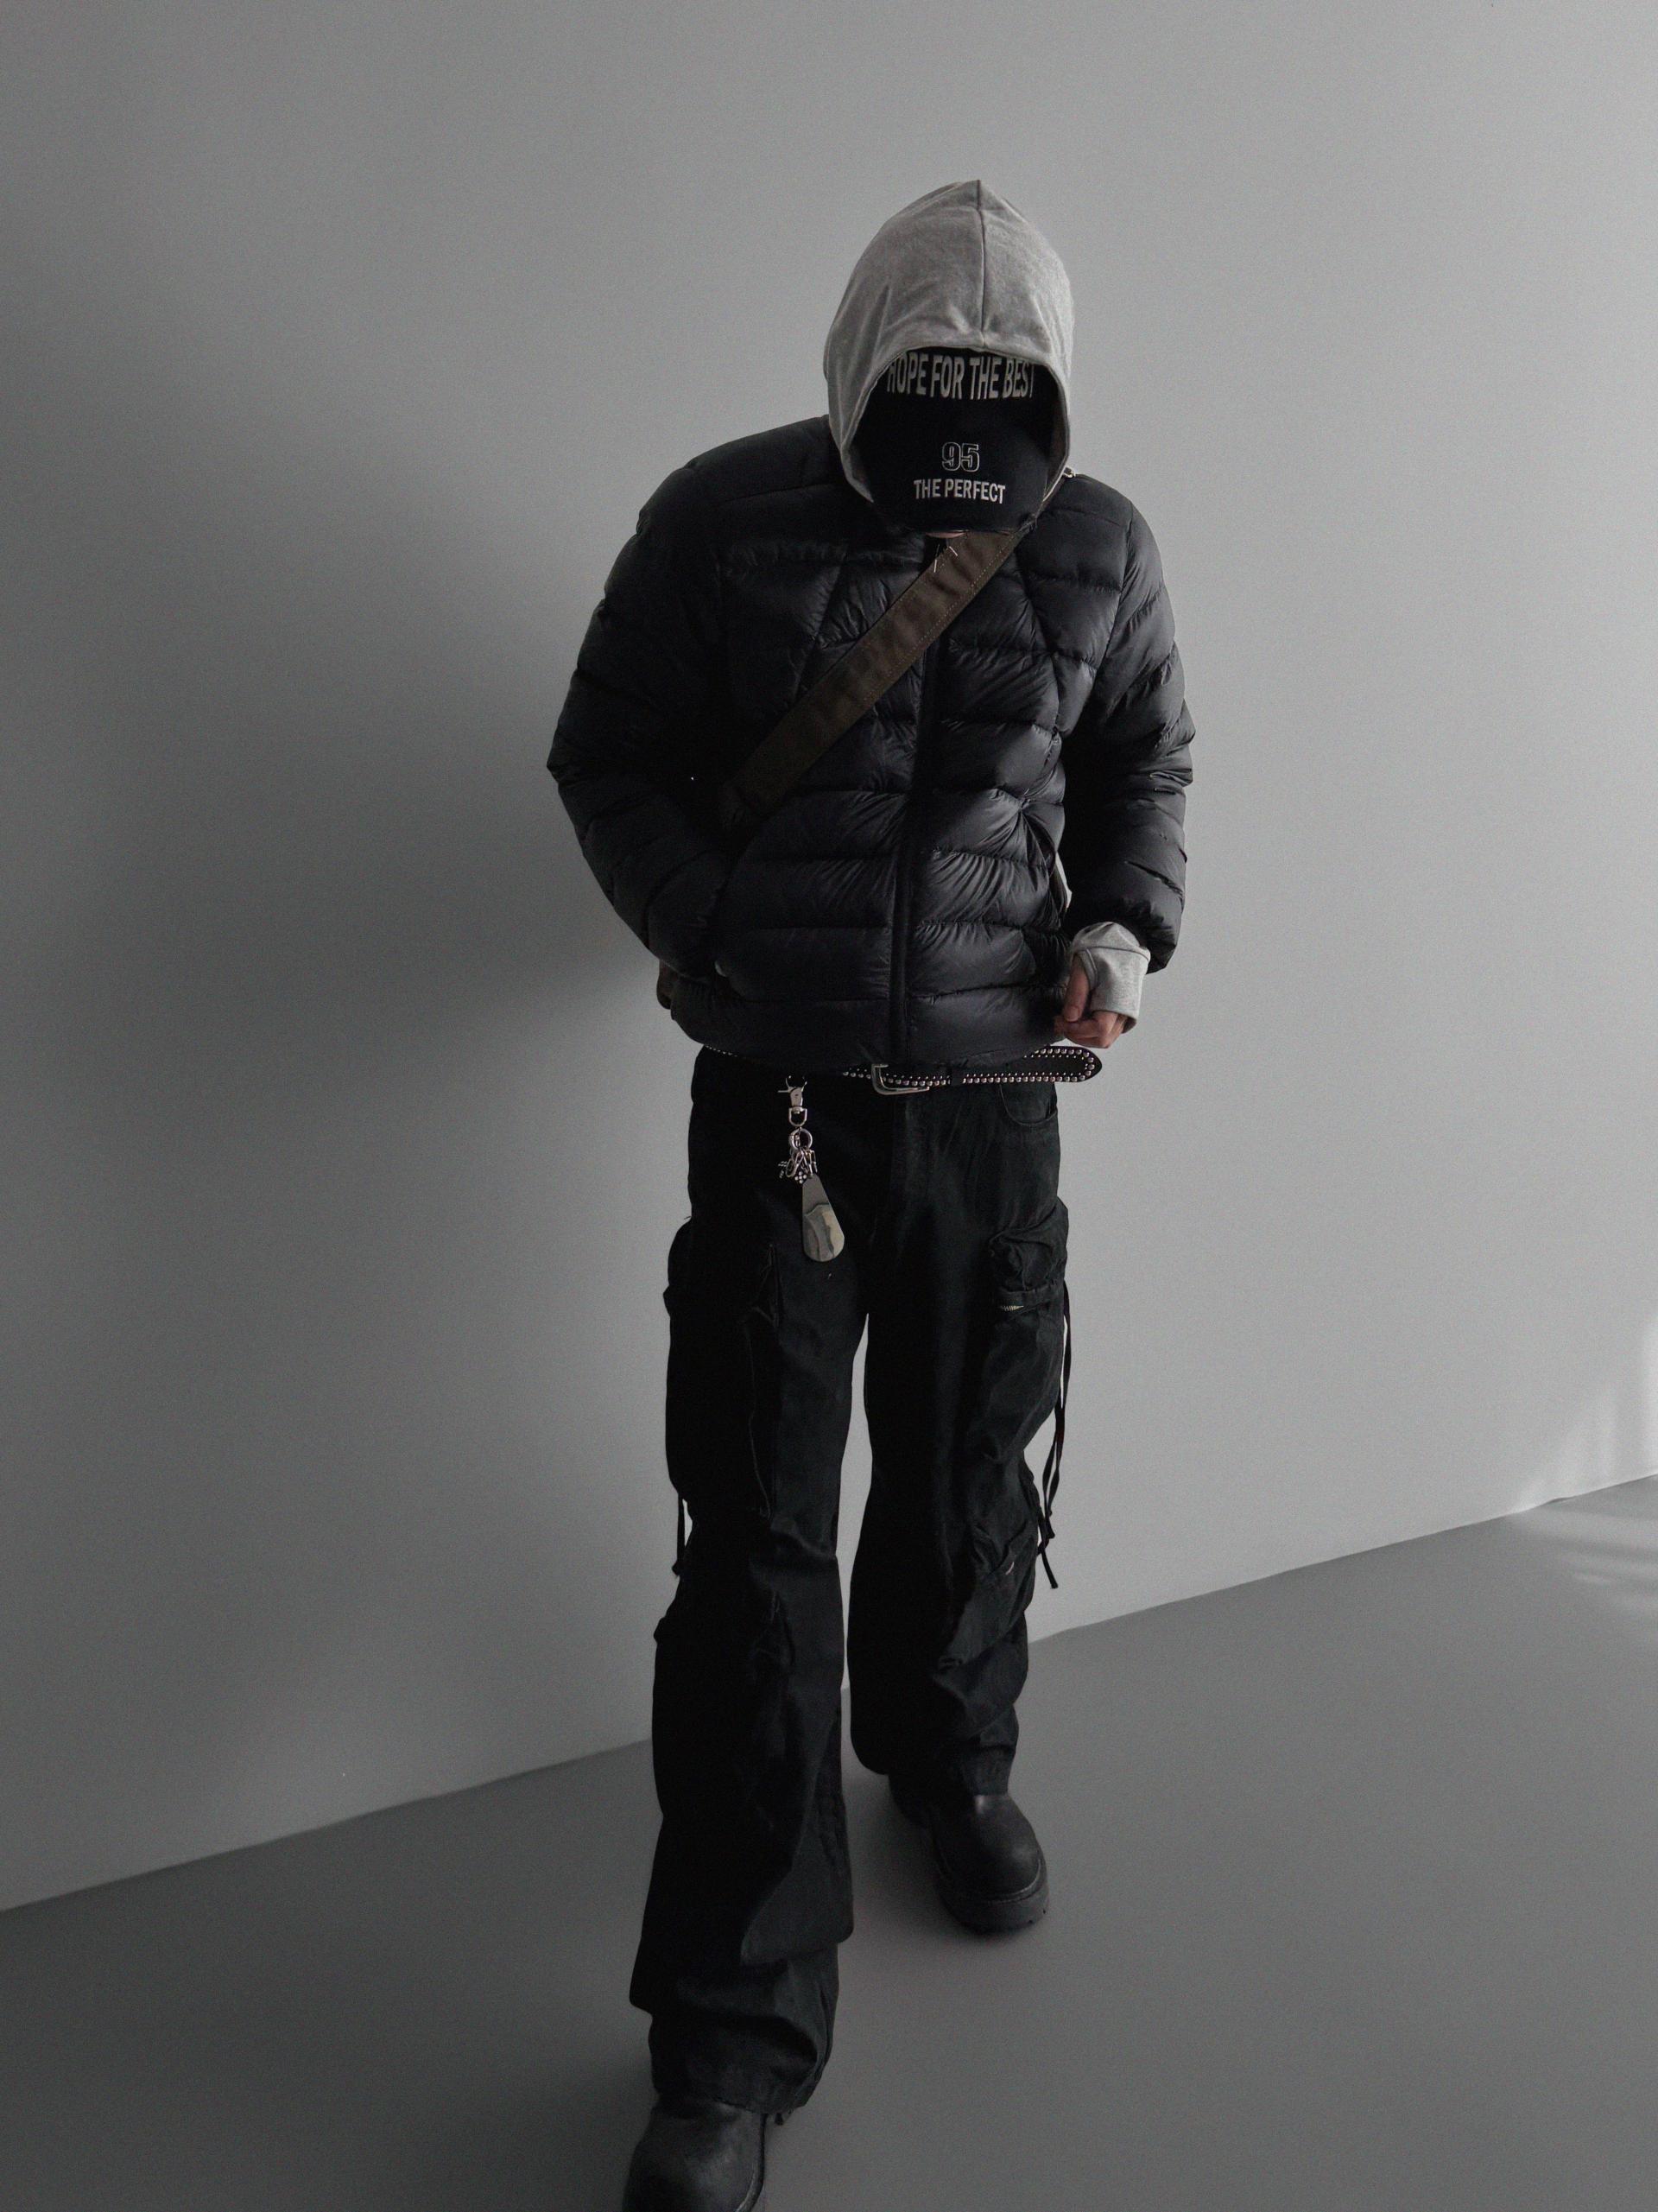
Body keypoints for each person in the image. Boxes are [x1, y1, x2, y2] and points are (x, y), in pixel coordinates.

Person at [548, 177, 1195, 2212]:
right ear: (857, 365)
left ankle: (950, 1755)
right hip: (785, 1110)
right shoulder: (717, 522)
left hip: (1000, 1104)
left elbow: (1143, 764)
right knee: (754, 1547)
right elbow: (606, 753)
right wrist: (718, 925)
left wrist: (1123, 934)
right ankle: (732, 2031)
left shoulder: (1099, 544)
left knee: (967, 1464)